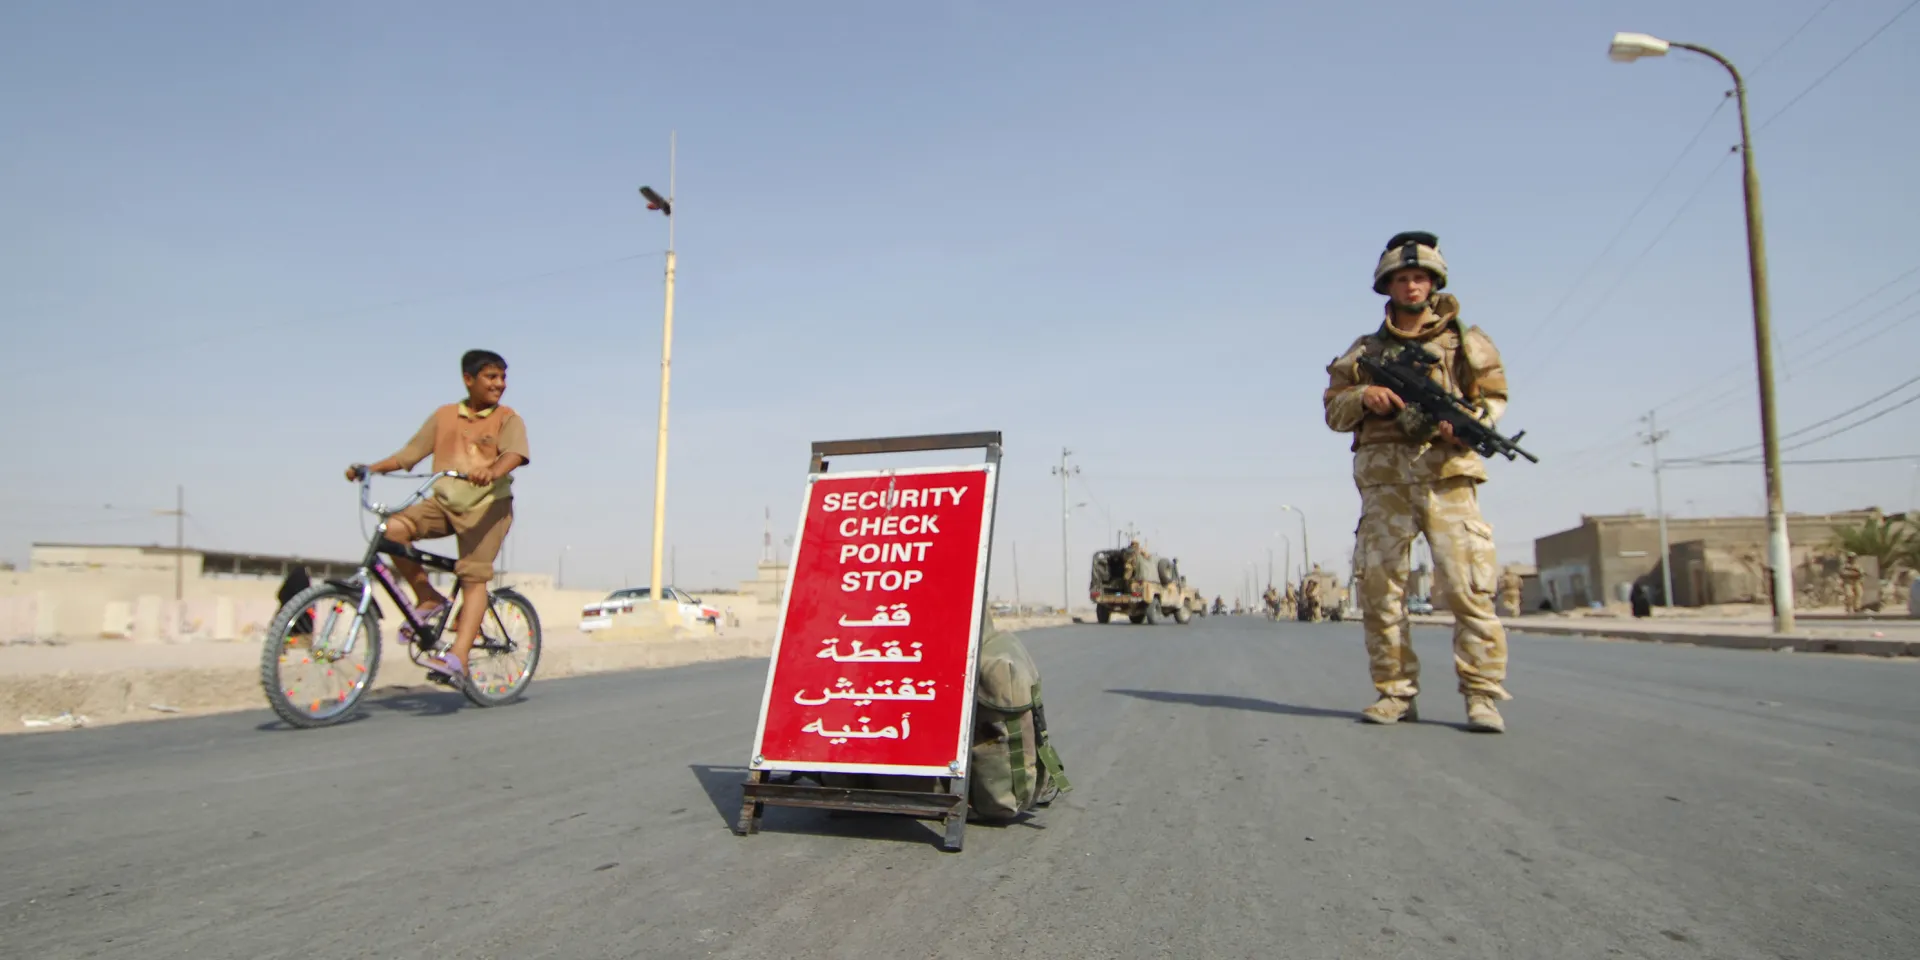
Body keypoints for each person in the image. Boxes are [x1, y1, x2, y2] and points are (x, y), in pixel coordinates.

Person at [1323, 231, 1512, 733]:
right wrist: (1367, 397)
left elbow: (1493, 399)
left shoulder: (1466, 343)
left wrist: (1469, 427)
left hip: (1448, 479)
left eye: (1420, 278)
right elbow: (1334, 411)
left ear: (1434, 283)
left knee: (1468, 590)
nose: (1412, 287)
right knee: (1382, 593)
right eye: (1402, 278)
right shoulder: (1363, 352)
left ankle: (1482, 696)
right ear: (1387, 286)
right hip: (1385, 486)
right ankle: (1395, 694)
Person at [345, 349, 530, 680]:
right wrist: (369, 469)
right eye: (491, 377)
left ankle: (457, 659)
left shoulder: (507, 418)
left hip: (488, 509)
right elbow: (407, 457)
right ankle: (427, 596)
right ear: (468, 379)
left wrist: (492, 469)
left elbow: (514, 454)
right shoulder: (445, 416)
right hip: (445, 503)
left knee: (473, 577)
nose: (499, 384)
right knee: (392, 531)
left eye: (503, 377)